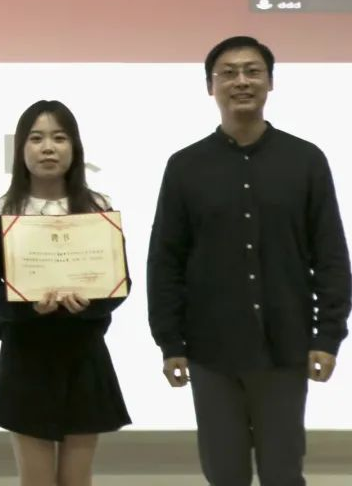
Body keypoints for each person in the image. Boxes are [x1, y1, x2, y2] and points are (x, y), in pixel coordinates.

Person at [147, 35, 351, 486]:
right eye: (228, 73)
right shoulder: (185, 166)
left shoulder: (306, 160)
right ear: (210, 87)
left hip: (286, 347)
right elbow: (165, 261)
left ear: (270, 82)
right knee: (224, 473)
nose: (241, 81)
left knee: (283, 473)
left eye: (252, 71)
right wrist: (170, 343)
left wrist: (328, 335)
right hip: (210, 350)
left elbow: (331, 255)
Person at [0, 100, 130, 486]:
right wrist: (27, 308)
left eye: (59, 138)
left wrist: (89, 303)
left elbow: (119, 282)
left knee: (77, 478)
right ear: (20, 149)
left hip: (84, 354)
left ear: (74, 147)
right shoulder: (5, 210)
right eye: (36, 138)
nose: (48, 148)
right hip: (25, 356)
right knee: (36, 480)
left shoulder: (97, 208)